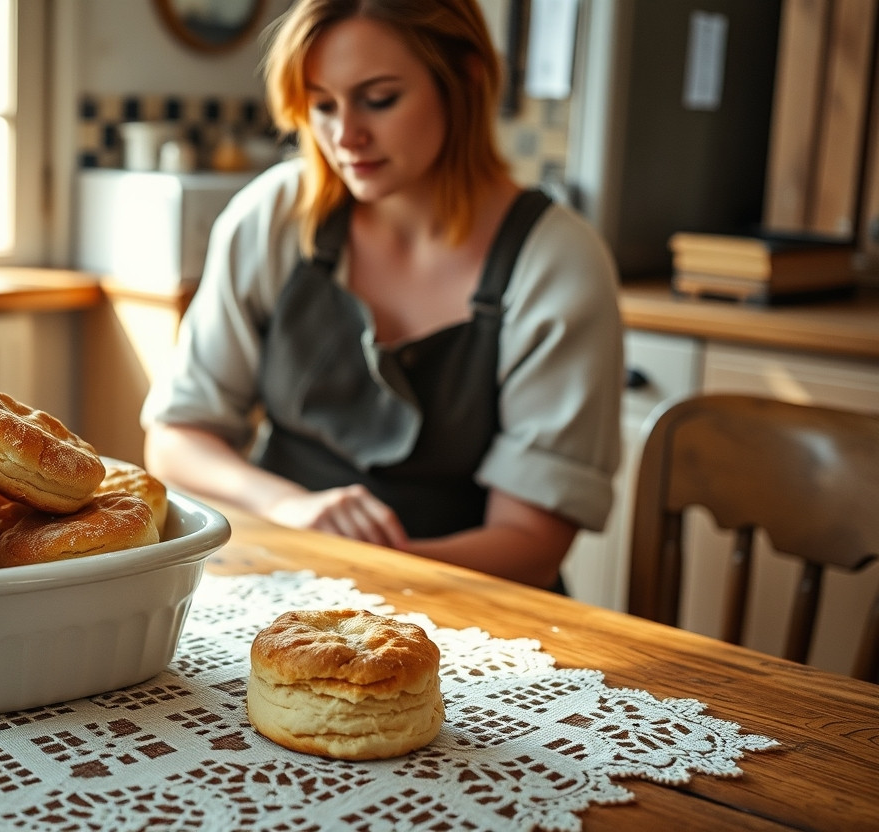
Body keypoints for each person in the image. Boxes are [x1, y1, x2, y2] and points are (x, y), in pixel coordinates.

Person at [141, 0, 623, 591]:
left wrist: (366, 574)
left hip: (473, 614)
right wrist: (292, 507)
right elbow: (177, 440)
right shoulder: (275, 218)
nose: (346, 136)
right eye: (322, 105)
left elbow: (531, 545)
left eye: (379, 99)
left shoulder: (557, 261)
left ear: (466, 79)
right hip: (277, 583)